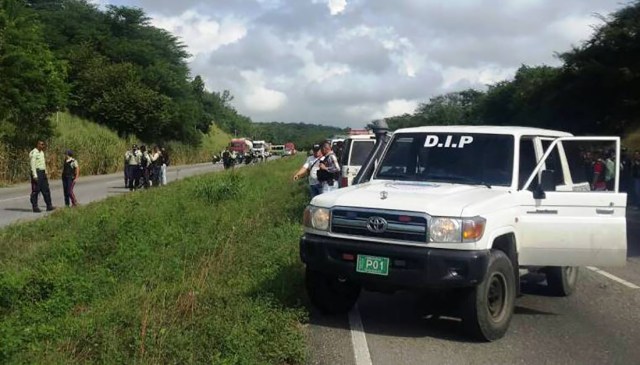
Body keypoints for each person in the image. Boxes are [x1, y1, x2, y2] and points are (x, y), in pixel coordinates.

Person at [29, 140, 55, 212]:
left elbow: (43, 163)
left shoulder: (42, 153)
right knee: (36, 190)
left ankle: (49, 205)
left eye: (43, 145)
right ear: (38, 145)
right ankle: (35, 207)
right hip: (37, 172)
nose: (43, 146)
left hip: (42, 172)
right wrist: (34, 175)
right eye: (41, 144)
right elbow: (32, 164)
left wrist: (45, 171)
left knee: (46, 189)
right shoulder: (34, 153)